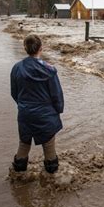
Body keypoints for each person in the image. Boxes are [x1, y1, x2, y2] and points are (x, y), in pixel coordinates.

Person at [10, 34, 64, 174]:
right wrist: (58, 110)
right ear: (41, 48)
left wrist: (23, 105)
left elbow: (14, 93)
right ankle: (52, 177)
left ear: (25, 48)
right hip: (45, 113)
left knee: (24, 142)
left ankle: (18, 174)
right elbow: (57, 95)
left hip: (25, 113)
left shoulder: (16, 68)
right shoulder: (49, 70)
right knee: (48, 143)